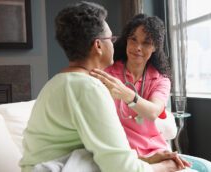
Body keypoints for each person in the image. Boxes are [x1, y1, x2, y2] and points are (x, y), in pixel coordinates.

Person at [19, 2, 186, 172]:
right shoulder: (89, 88)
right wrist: (166, 166)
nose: (115, 44)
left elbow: (105, 155)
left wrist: (146, 160)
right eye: (111, 39)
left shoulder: (54, 83)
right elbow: (123, 169)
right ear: (98, 45)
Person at [90, 14, 211, 172]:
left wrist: (125, 93)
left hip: (155, 151)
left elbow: (153, 112)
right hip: (122, 152)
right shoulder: (108, 72)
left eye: (146, 43)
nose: (138, 47)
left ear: (156, 46)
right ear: (126, 40)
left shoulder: (161, 79)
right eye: (133, 39)